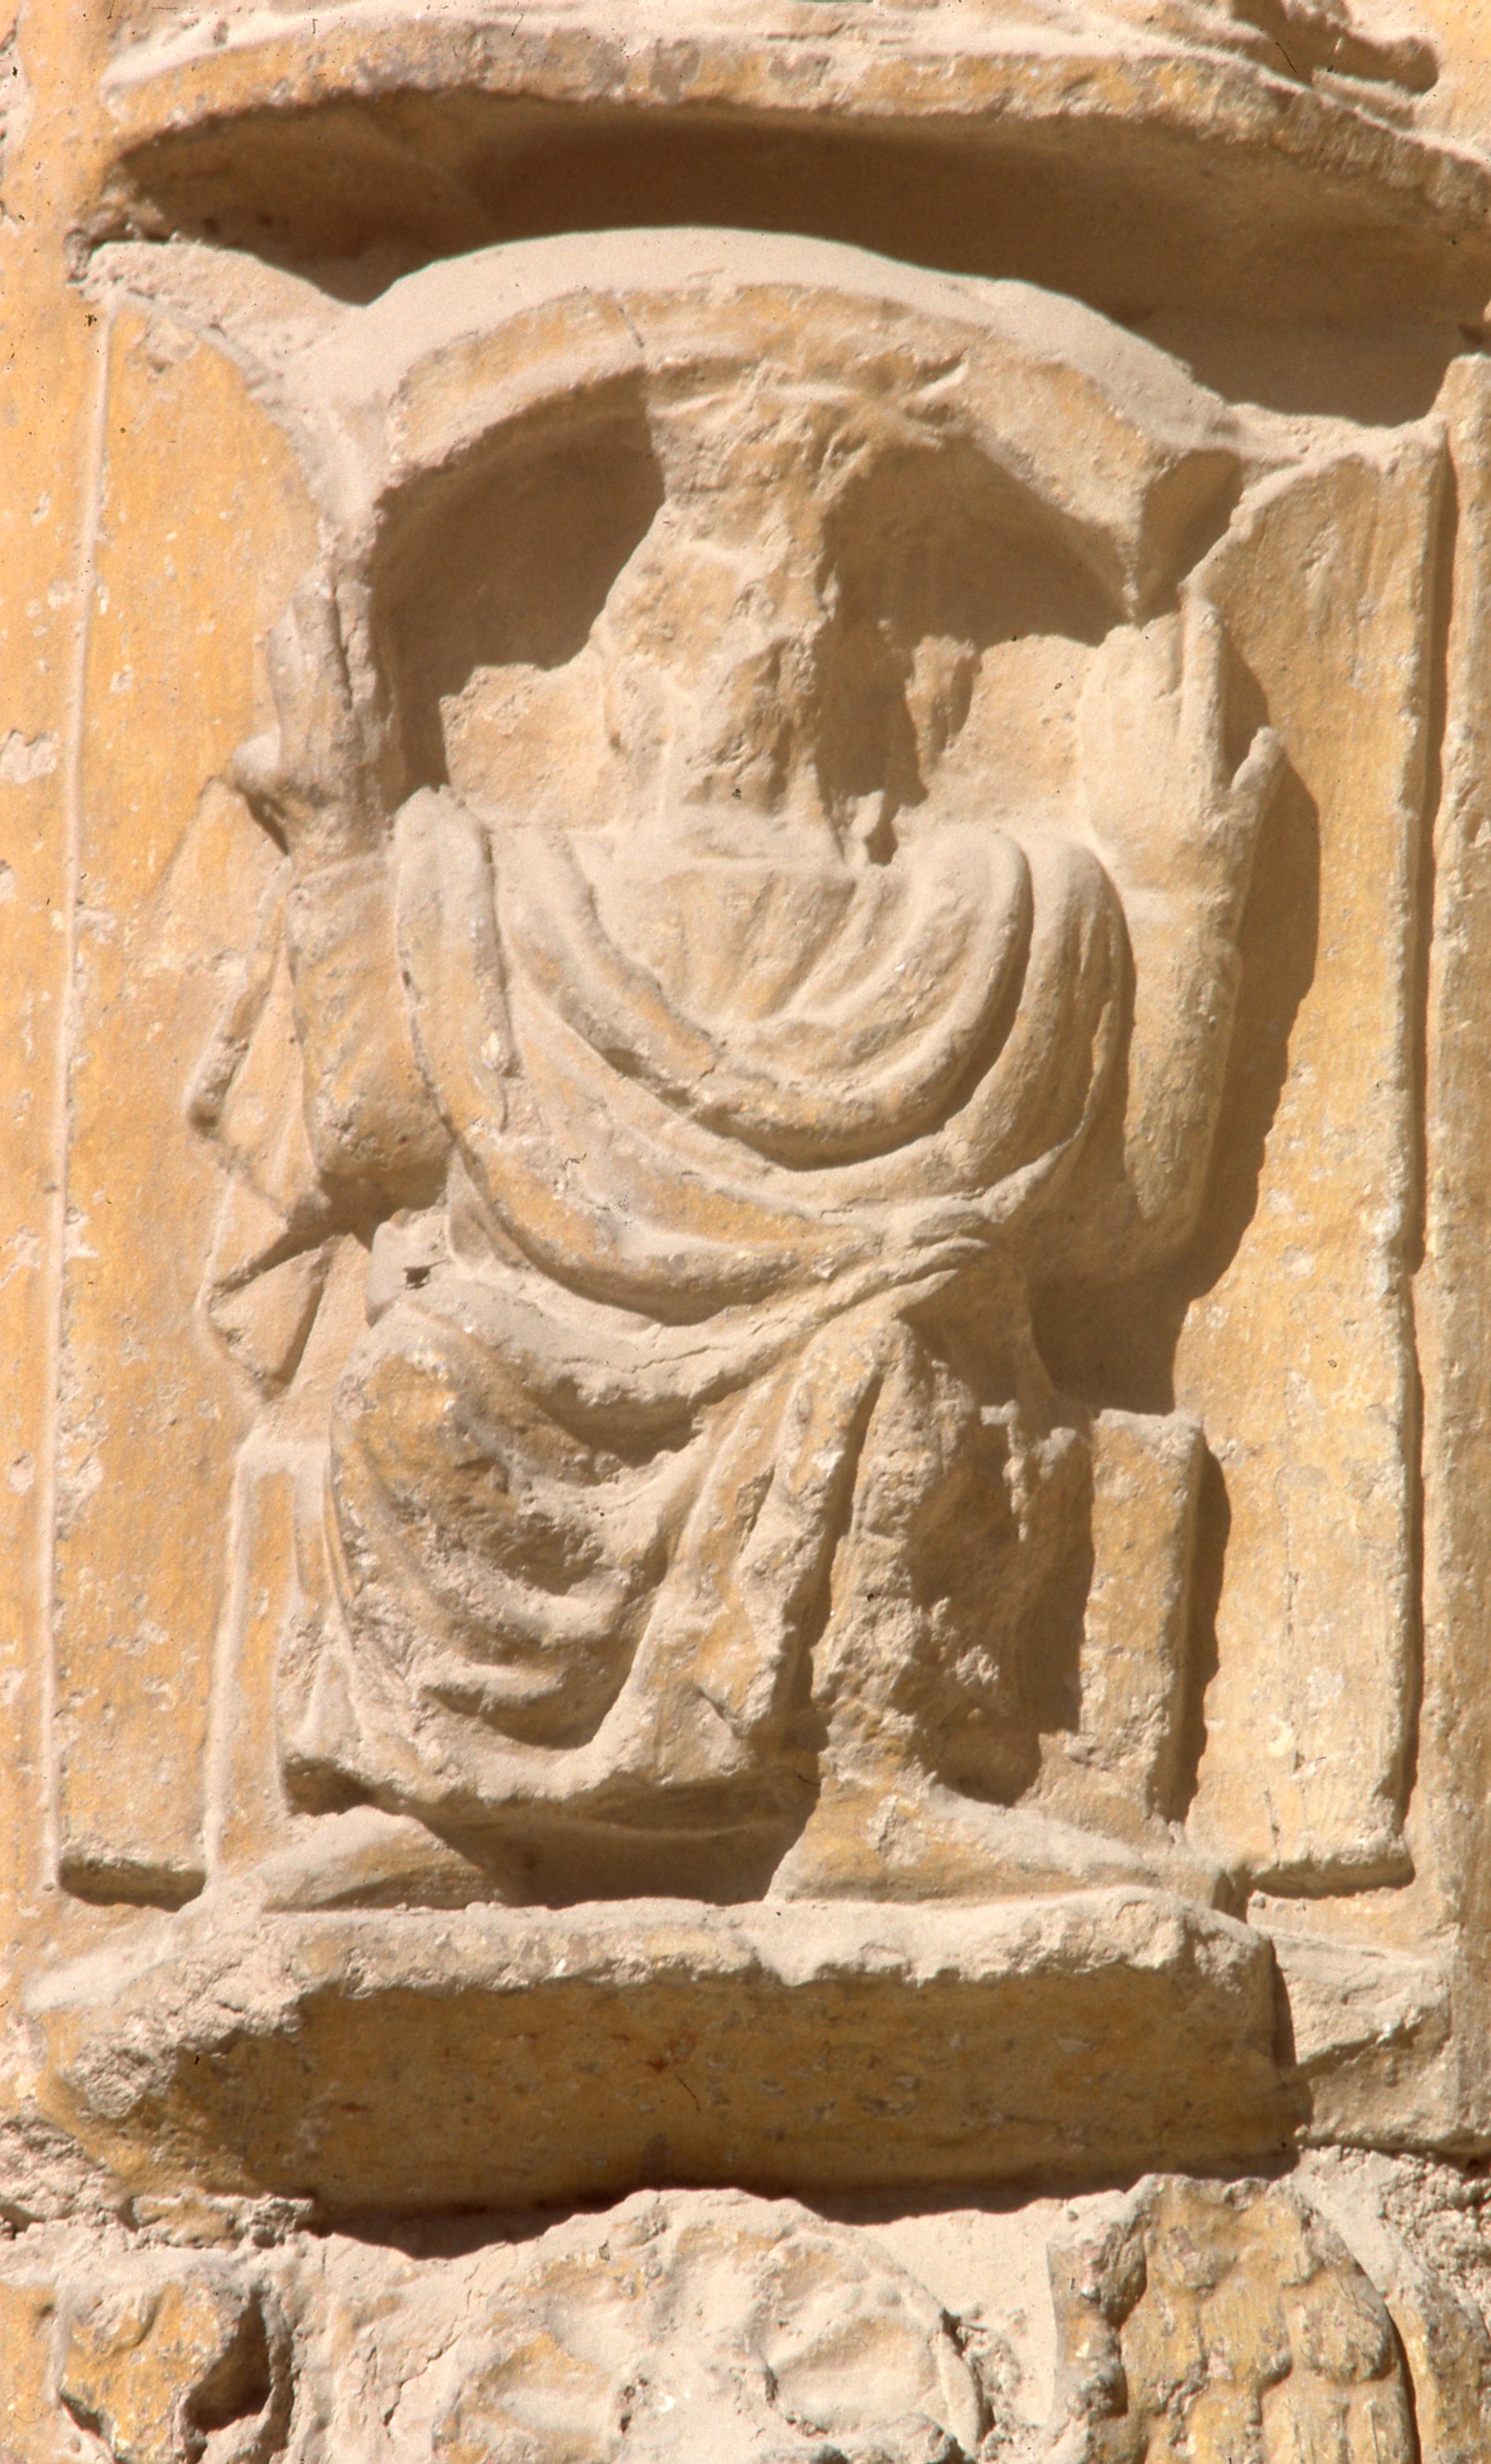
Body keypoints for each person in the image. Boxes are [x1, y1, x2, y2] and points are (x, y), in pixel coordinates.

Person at [218, 366, 1278, 1905]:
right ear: (624, 682)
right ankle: (449, 1796)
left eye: (795, 630)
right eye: (698, 625)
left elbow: (1131, 1216)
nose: (746, 665)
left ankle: (882, 1795)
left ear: (885, 683)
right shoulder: (502, 892)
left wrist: (1181, 892)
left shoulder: (999, 911)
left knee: (895, 1356)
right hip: (534, 1359)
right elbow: (380, 1139)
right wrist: (339, 840)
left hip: (858, 1363)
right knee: (412, 1380)